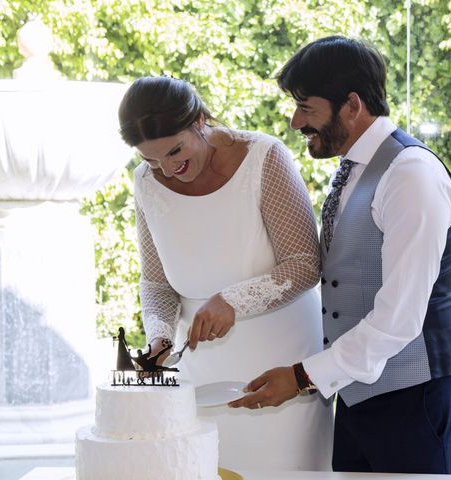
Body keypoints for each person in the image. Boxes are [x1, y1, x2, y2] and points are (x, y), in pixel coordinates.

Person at [229, 35, 451, 475]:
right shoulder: (356, 169)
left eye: (307, 107)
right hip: (359, 395)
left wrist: (302, 377)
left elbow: (398, 319)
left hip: (417, 399)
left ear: (352, 105)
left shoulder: (411, 175)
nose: (294, 121)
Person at [117, 76, 333, 471]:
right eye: (151, 159)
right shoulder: (145, 182)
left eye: (174, 150)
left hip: (280, 363)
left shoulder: (264, 157)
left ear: (199, 120)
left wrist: (232, 300)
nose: (166, 167)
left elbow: (305, 262)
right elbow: (156, 282)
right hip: (199, 373)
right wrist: (161, 337)